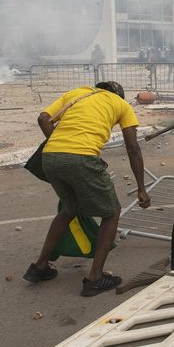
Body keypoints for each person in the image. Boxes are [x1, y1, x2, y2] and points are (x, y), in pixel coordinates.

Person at [23, 82, 151, 296]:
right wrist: (141, 188)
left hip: (51, 156)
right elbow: (133, 148)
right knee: (111, 213)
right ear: (118, 95)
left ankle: (40, 267)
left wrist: (59, 144)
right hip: (82, 158)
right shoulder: (120, 104)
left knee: (69, 209)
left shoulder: (77, 93)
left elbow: (43, 118)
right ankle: (95, 278)